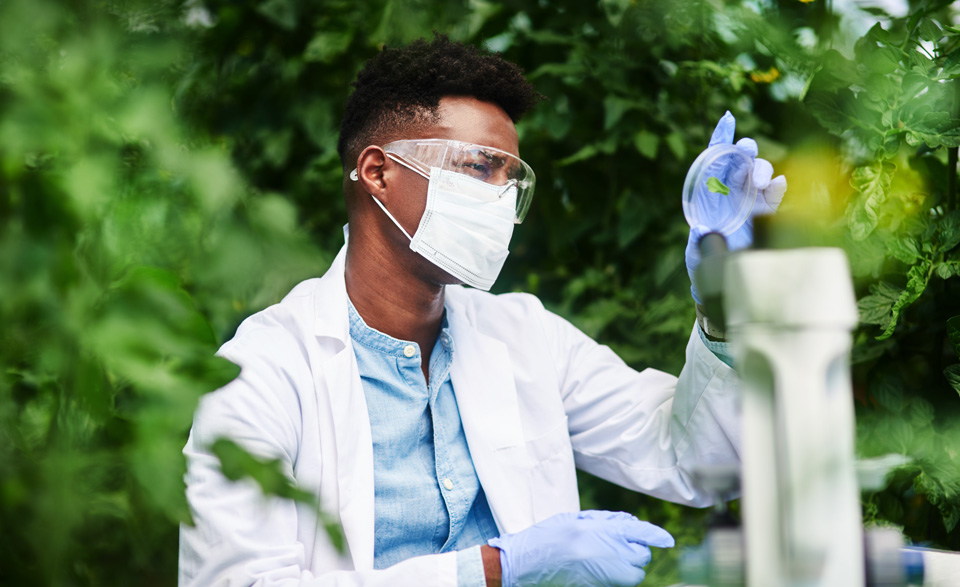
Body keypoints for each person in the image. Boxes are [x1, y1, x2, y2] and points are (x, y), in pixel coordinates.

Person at [178, 36, 785, 587]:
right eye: (478, 167)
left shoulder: (525, 336)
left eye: (512, 179)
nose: (500, 199)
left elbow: (693, 460)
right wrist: (497, 569)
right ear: (378, 172)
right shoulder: (262, 372)